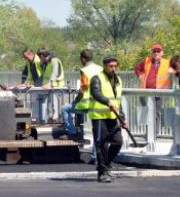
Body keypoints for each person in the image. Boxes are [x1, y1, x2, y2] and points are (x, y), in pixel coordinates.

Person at [88, 55, 128, 183]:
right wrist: (107, 102)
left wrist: (122, 118)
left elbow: (118, 101)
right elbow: (96, 93)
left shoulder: (118, 80)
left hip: (112, 117)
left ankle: (106, 165)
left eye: (115, 66)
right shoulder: (96, 78)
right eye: (111, 66)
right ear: (105, 66)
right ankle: (102, 172)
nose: (113, 69)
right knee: (102, 145)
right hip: (99, 118)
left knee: (118, 142)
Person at [60, 49, 102, 140]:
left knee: (65, 108)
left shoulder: (85, 70)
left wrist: (76, 100)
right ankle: (96, 154)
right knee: (97, 130)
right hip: (100, 104)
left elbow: (83, 89)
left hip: (87, 104)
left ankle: (72, 133)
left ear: (83, 59)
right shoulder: (100, 69)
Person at [134, 44, 171, 131]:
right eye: (154, 51)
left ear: (162, 53)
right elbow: (137, 68)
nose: (156, 53)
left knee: (157, 113)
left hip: (160, 92)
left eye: (158, 51)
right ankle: (148, 132)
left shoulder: (167, 62)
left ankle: (156, 133)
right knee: (145, 112)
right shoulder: (147, 61)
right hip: (146, 92)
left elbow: (176, 69)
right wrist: (140, 76)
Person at [37, 47, 65, 122]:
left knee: (54, 105)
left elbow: (54, 73)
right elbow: (45, 76)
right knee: (50, 105)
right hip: (51, 87)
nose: (40, 60)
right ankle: (51, 118)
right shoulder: (48, 63)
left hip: (56, 87)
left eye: (40, 58)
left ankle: (55, 119)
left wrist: (49, 84)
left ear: (42, 56)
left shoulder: (54, 61)